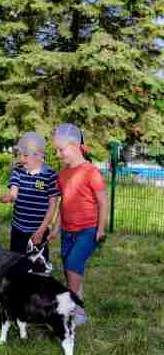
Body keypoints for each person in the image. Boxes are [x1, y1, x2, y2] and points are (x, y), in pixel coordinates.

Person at [51, 123, 108, 324]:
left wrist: (100, 229)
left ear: (75, 145)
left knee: (74, 264)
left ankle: (70, 305)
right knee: (69, 269)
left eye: (60, 149)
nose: (58, 154)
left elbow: (103, 202)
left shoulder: (91, 172)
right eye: (55, 150)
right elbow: (63, 203)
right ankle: (79, 311)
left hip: (88, 229)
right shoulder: (63, 174)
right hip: (68, 230)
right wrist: (56, 228)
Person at [0, 132, 60, 260]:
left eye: (25, 155)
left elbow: (52, 206)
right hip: (18, 228)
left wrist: (41, 231)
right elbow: (13, 193)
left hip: (38, 230)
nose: (21, 159)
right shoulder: (18, 172)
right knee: (16, 261)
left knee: (37, 264)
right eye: (19, 154)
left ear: (39, 156)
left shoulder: (50, 175)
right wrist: (8, 197)